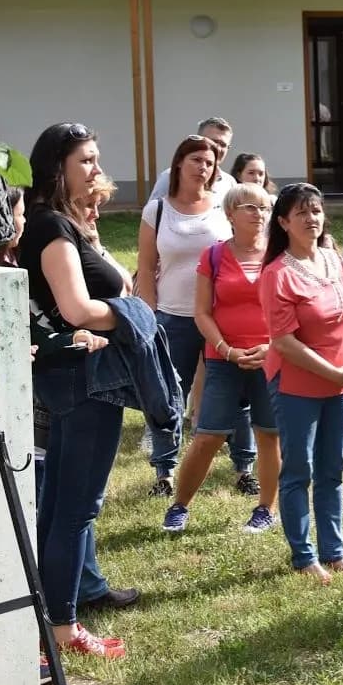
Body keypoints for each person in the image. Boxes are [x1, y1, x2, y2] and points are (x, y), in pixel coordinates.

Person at [20, 122, 134, 658]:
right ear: (57, 166)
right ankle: (63, 630)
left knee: (60, 507)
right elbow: (76, 310)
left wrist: (92, 232)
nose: (95, 168)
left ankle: (46, 623)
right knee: (75, 509)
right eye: (85, 160)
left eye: (95, 158)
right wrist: (133, 314)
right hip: (85, 382)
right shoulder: (50, 228)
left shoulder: (64, 225)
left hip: (78, 378)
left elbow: (109, 282)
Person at [259, 183, 343, 585]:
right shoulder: (276, 274)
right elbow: (284, 343)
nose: (312, 218)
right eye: (302, 212)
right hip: (297, 385)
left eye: (317, 210)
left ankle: (335, 552)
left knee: (332, 469)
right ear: (284, 222)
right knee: (299, 471)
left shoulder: (332, 258)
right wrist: (334, 372)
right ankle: (304, 556)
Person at [137, 136, 255, 498]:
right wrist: (151, 317)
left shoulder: (223, 209)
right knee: (169, 395)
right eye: (197, 160)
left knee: (236, 394)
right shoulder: (157, 210)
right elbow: (146, 268)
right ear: (179, 165)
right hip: (172, 318)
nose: (204, 167)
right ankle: (164, 471)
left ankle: (244, 468)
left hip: (221, 319)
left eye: (210, 162)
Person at [161, 184, 283, 535]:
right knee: (208, 436)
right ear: (229, 214)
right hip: (222, 358)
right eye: (250, 207)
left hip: (270, 359)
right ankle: (179, 506)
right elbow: (201, 312)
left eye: (264, 208)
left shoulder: (278, 256)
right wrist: (226, 349)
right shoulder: (212, 256)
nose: (259, 214)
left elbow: (292, 312)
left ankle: (265, 509)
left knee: (269, 434)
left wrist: (271, 347)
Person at [147, 117, 236, 204]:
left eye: (223, 145)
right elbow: (153, 215)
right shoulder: (170, 177)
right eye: (213, 142)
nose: (218, 148)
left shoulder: (229, 183)